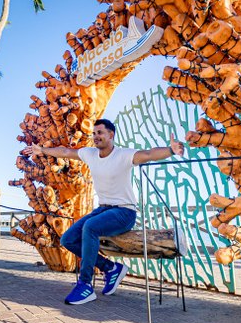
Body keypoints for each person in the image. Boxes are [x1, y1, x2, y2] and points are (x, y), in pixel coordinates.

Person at [23, 118, 184, 305]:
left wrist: (171, 150)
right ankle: (111, 268)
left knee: (90, 227)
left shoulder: (123, 155)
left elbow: (148, 154)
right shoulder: (90, 154)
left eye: (100, 133)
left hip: (124, 213)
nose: (95, 137)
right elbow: (66, 151)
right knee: (68, 239)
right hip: (103, 210)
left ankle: (85, 285)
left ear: (111, 135)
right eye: (94, 133)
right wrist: (41, 150)